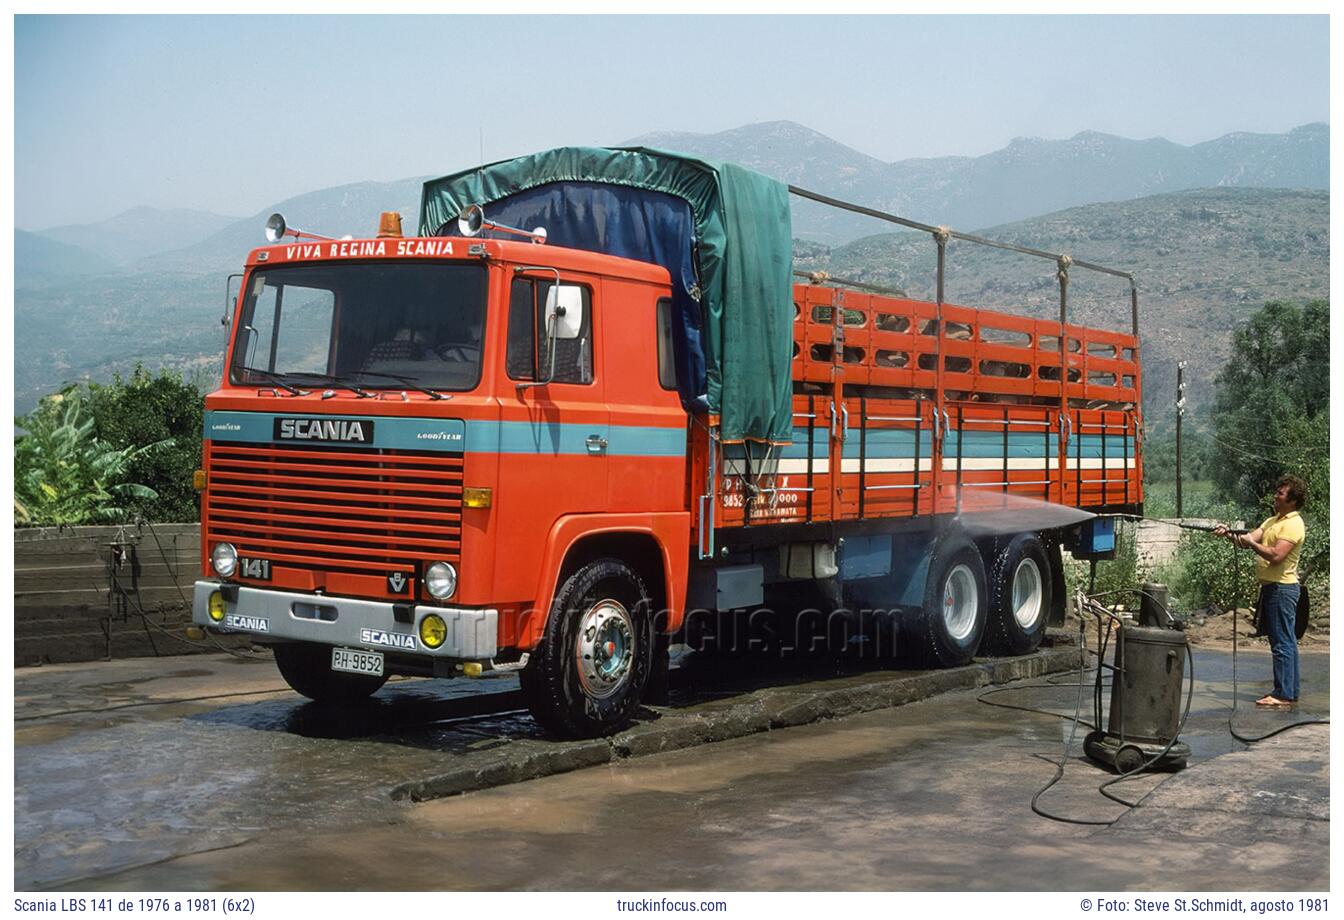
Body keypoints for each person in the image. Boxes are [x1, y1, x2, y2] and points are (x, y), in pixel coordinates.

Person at [1216, 475, 1307, 708]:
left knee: (1282, 642)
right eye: (1277, 491)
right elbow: (1247, 539)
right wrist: (1229, 534)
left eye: (1281, 493)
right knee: (1284, 640)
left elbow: (1276, 556)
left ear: (1293, 501)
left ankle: (1283, 694)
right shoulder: (1273, 520)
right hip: (1272, 588)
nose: (1276, 496)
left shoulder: (1293, 523)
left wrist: (1253, 545)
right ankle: (1288, 691)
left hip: (1282, 589)